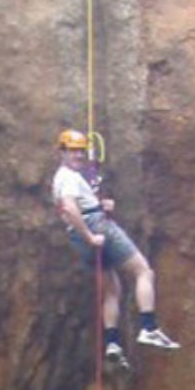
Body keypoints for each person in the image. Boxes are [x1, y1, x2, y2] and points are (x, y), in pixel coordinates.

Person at [52, 129, 180, 369]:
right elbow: (70, 208)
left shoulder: (65, 177)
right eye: (73, 151)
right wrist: (91, 235)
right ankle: (149, 327)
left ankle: (112, 343)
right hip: (95, 227)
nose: (78, 155)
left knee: (112, 290)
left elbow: (74, 205)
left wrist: (100, 205)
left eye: (80, 151)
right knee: (143, 271)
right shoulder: (68, 177)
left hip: (78, 237)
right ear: (62, 152)